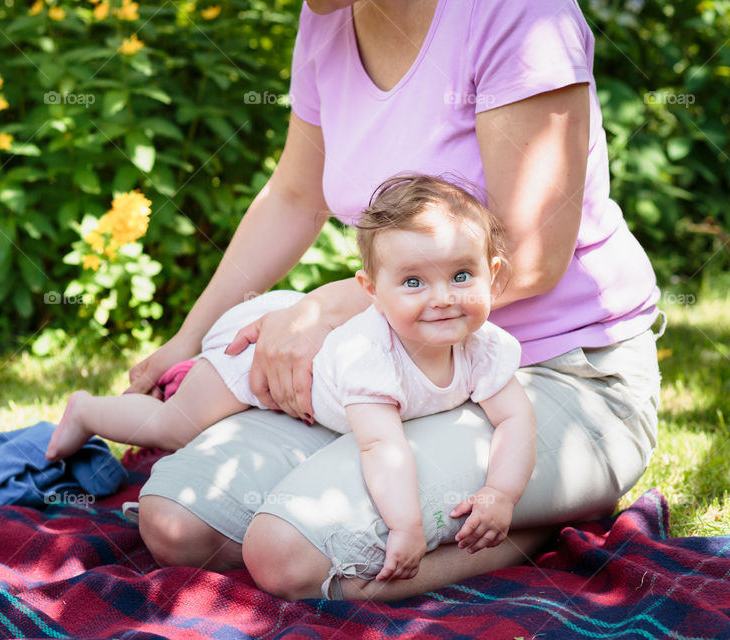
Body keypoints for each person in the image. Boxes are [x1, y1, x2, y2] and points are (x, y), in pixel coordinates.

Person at [123, 0, 665, 601]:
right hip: (405, 372)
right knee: (177, 522)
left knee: (287, 556)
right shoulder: (326, 17)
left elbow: (531, 256)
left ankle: (526, 522)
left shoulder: (516, 12)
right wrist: (187, 338)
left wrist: (330, 308)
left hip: (561, 376)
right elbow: (295, 197)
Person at [47, 175, 537, 586]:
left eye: (461, 275)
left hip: (318, 390)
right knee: (174, 425)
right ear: (371, 291)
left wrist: (501, 493)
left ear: (493, 275)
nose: (443, 298)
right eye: (413, 282)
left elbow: (514, 417)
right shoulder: (371, 356)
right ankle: (88, 409)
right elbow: (382, 449)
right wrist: (405, 527)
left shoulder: (483, 345)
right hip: (264, 357)